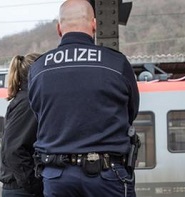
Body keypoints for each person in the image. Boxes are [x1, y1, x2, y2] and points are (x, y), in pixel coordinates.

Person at [27, 0, 140, 196]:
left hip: (57, 175)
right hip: (107, 176)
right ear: (94, 24)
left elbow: (38, 113)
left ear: (59, 29)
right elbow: (131, 111)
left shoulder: (38, 68)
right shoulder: (116, 62)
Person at [0, 53, 43, 197]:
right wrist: (36, 186)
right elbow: (14, 148)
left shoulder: (25, 99)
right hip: (22, 189)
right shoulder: (29, 102)